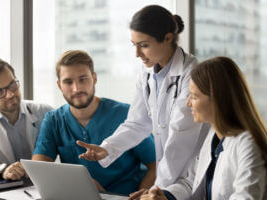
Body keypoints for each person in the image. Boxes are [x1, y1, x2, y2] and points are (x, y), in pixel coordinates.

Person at [76, 4, 209, 198]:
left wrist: (156, 190)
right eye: (134, 45)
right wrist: (107, 148)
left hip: (191, 174)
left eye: (144, 45)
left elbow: (179, 141)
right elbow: (137, 123)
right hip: (168, 180)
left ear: (168, 38)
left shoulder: (192, 74)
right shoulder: (146, 73)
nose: (137, 54)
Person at [140, 56, 267, 200]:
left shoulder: (248, 144)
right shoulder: (213, 136)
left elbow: (246, 197)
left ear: (217, 99)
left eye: (194, 97)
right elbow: (191, 182)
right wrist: (165, 196)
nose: (188, 103)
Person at [32, 50, 156, 195]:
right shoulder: (53, 120)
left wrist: (142, 197)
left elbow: (156, 165)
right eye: (68, 82)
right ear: (59, 85)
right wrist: (80, 184)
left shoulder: (126, 114)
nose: (76, 88)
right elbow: (39, 168)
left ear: (94, 78)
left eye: (83, 79)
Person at [0, 58, 52, 181]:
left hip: (40, 187)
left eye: (12, 85)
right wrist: (2, 170)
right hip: (2, 192)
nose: (10, 94)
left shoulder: (44, 112)